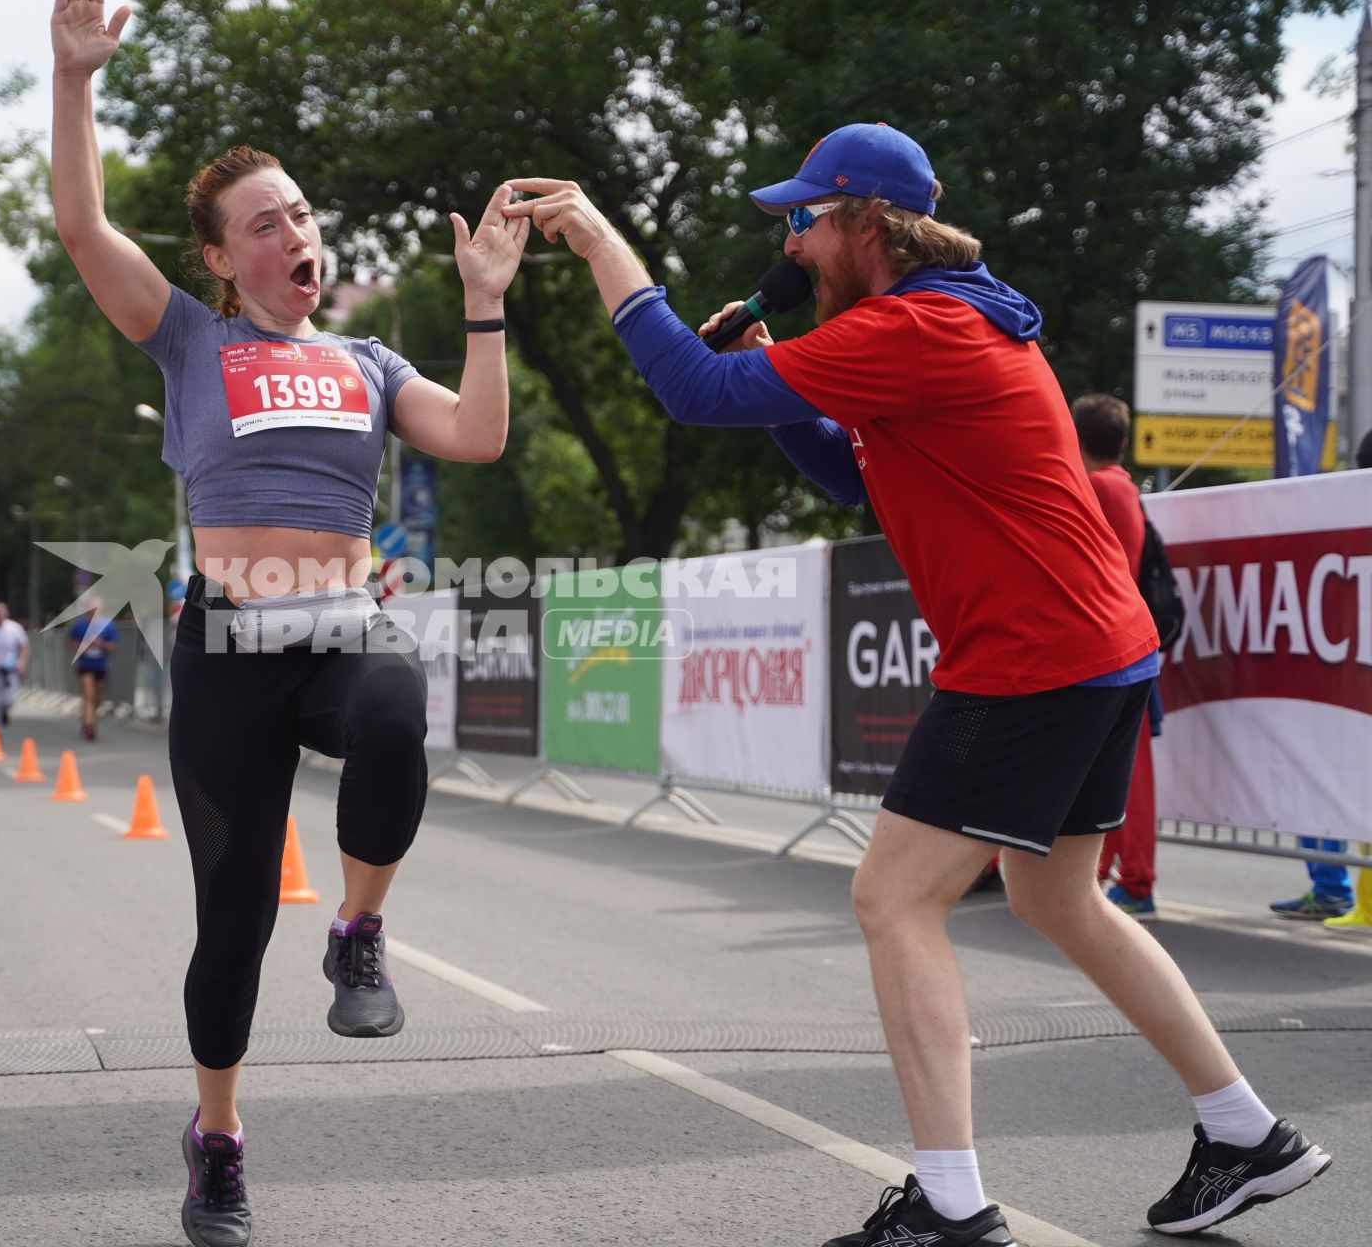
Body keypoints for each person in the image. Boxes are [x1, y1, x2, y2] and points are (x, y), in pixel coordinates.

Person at [505, 123, 1330, 1244]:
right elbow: (854, 475)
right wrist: (788, 393)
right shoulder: (949, 316)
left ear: (864, 222)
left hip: (1031, 654)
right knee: (1055, 895)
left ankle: (950, 1203)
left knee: (893, 898)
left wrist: (603, 241)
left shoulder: (914, 325)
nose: (791, 243)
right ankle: (1246, 1132)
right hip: (1096, 647)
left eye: (803, 218)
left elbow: (691, 388)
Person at [49, 0, 526, 1242]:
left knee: (393, 706)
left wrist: (484, 300)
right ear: (218, 257)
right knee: (234, 922)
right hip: (224, 647)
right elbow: (85, 228)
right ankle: (216, 1134)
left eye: (301, 213)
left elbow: (476, 435)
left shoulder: (369, 362)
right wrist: (73, 80)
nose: (292, 233)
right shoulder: (190, 342)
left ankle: (361, 933)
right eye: (263, 222)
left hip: (334, 622)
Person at [1069, 394, 1165, 920]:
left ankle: (1135, 878)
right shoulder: (1122, 486)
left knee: (1125, 775)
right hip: (1124, 644)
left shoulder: (1100, 486)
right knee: (1116, 773)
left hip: (1107, 646)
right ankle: (1119, 876)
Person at [66, 597, 119, 740]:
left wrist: (101, 644)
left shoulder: (108, 625)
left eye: (96, 609)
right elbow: (69, 643)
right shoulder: (79, 625)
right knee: (88, 695)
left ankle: (87, 719)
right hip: (84, 665)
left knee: (97, 698)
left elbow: (114, 646)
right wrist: (82, 646)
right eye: (90, 609)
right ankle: (89, 726)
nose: (93, 612)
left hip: (101, 665)